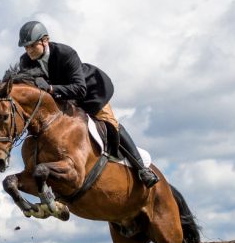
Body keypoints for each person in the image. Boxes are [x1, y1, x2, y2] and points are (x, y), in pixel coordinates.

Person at [16, 20, 159, 188]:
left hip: (90, 92)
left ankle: (142, 169)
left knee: (110, 124)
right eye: (26, 47)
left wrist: (51, 88)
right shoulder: (25, 61)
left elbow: (79, 89)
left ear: (45, 40)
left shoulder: (65, 53)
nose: (29, 51)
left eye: (32, 46)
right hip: (63, 100)